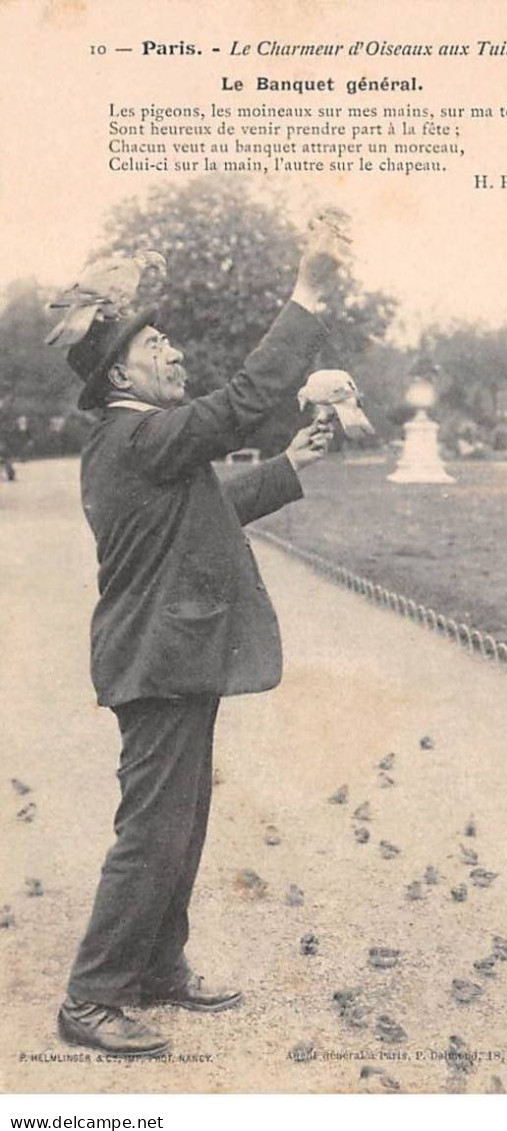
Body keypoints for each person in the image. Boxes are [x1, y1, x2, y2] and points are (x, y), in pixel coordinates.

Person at [46, 219, 347, 1059]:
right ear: (119, 372)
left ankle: (157, 967)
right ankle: (93, 995)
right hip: (157, 661)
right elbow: (242, 401)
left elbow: (210, 509)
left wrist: (293, 463)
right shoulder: (137, 434)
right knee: (152, 830)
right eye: (160, 345)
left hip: (173, 658)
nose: (175, 354)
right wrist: (307, 299)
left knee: (182, 820)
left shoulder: (145, 445)